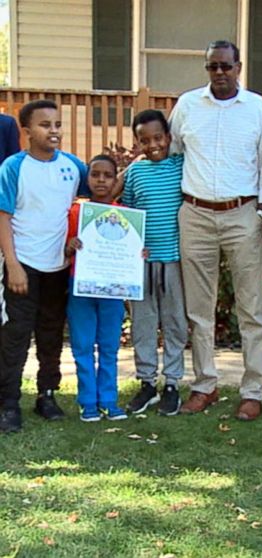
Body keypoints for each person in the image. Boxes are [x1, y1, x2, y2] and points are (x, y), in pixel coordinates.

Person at [168, 40, 262, 421]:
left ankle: (252, 390)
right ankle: (204, 384)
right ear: (206, 68)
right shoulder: (187, 106)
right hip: (195, 213)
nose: (219, 73)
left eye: (226, 66)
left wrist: (260, 212)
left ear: (239, 67)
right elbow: (176, 151)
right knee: (199, 309)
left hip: (241, 212)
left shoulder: (258, 110)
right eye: (213, 66)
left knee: (251, 308)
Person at [0, 100, 88, 432]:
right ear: (26, 132)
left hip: (59, 266)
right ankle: (8, 403)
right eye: (44, 125)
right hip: (23, 265)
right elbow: (3, 217)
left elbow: (98, 193)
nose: (53, 131)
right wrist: (13, 265)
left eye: (57, 124)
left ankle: (46, 394)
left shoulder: (72, 166)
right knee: (14, 336)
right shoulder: (13, 167)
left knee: (51, 334)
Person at [121, 109, 188, 417]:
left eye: (158, 138)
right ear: (137, 143)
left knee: (175, 323)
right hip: (144, 262)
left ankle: (172, 383)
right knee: (144, 325)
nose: (152, 145)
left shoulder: (181, 166)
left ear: (169, 138)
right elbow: (130, 213)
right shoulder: (136, 172)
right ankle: (147, 382)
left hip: (174, 260)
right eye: (144, 140)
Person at [64, 156, 129, 422]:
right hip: (80, 286)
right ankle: (88, 401)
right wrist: (70, 245)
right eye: (95, 175)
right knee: (82, 345)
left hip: (112, 290)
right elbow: (64, 248)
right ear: (87, 179)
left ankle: (110, 400)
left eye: (107, 175)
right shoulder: (76, 212)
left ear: (115, 181)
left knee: (109, 346)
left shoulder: (125, 216)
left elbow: (129, 250)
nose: (101, 180)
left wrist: (138, 253)